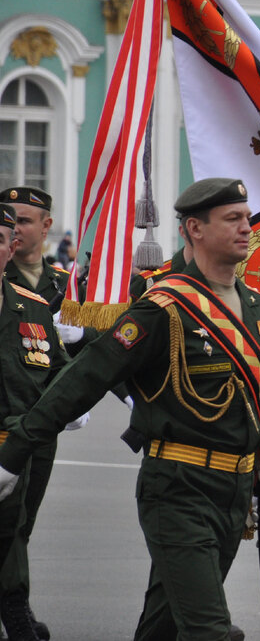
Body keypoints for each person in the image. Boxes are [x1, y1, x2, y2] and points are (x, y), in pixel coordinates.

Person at [0, 177, 260, 641]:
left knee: (163, 627)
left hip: (236, 492)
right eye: (233, 219)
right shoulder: (163, 306)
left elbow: (259, 403)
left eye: (247, 218)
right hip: (180, 488)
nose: (247, 228)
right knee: (210, 629)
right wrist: (16, 450)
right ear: (194, 228)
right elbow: (87, 376)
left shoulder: (257, 306)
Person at [0, 186, 87, 640]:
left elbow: (74, 363)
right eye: (10, 223)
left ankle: (15, 606)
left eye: (22, 223)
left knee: (19, 525)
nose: (15, 233)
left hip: (32, 431)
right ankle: (15, 611)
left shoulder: (57, 287)